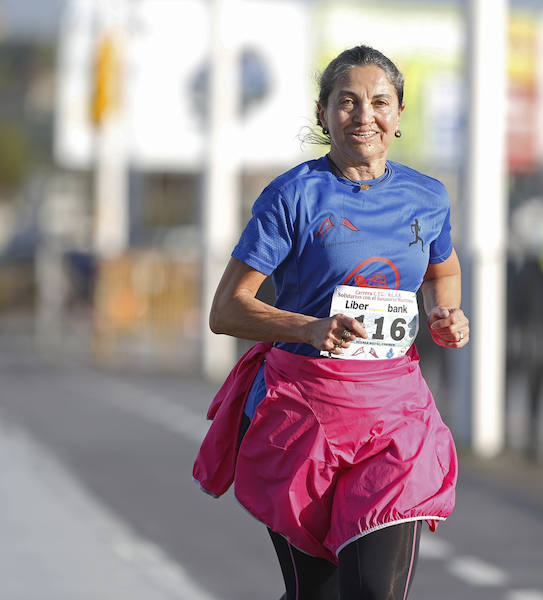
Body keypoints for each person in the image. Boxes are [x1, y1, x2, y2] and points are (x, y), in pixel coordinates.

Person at [193, 45, 469, 599]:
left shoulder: (427, 196)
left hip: (394, 416)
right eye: (347, 102)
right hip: (303, 412)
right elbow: (225, 311)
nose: (364, 116)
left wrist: (448, 313)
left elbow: (445, 270)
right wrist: (309, 328)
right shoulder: (292, 196)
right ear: (323, 113)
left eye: (379, 102)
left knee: (374, 594)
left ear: (399, 112)